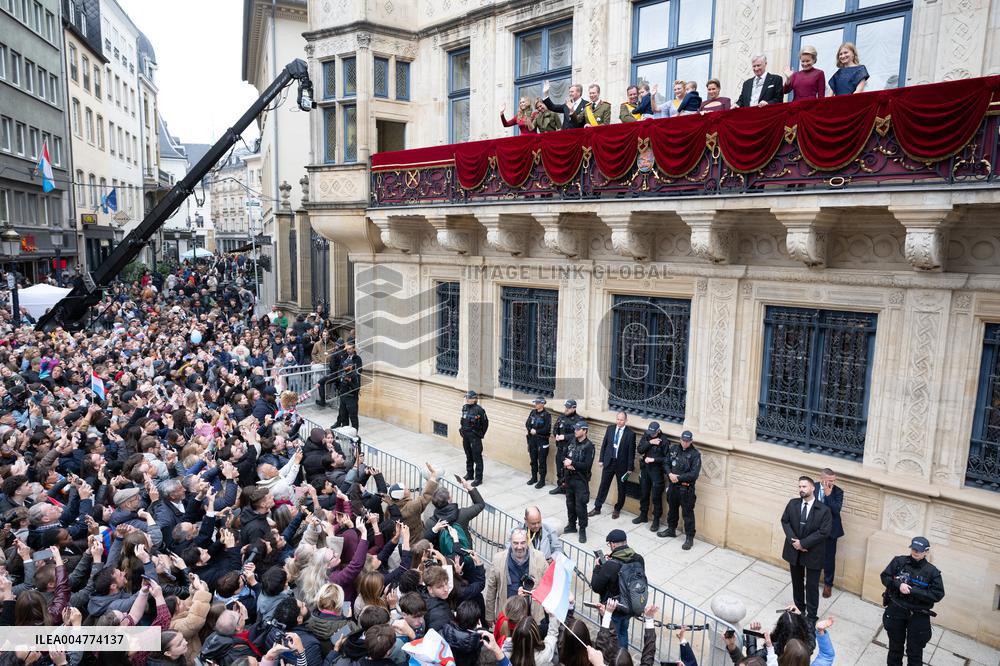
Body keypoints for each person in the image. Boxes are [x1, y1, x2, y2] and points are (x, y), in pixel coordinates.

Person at [880, 536, 945, 666]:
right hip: (897, 609)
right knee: (895, 648)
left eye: (919, 550)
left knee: (915, 652)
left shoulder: (932, 572)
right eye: (914, 549)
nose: (916, 552)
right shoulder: (899, 562)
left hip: (918, 614)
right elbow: (885, 577)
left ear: (926, 552)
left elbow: (937, 594)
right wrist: (899, 585)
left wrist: (913, 591)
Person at [780, 476, 832, 624]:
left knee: (811, 586)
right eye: (800, 487)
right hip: (794, 551)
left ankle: (811, 616)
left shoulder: (824, 510)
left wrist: (803, 543)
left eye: (804, 487)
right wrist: (794, 542)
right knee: (797, 583)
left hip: (813, 553)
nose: (801, 489)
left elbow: (823, 532)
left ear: (812, 488)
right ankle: (799, 609)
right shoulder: (793, 504)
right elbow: (785, 521)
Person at [590, 529, 645, 648]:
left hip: (612, 608)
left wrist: (598, 567)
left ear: (613, 544)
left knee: (611, 636)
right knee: (623, 632)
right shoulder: (639, 558)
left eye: (609, 544)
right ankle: (623, 657)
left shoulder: (611, 565)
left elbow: (596, 586)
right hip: (630, 604)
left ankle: (613, 659)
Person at [484, 528, 547, 628]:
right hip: (507, 616)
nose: (519, 547)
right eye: (515, 543)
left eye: (522, 543)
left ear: (527, 542)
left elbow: (547, 584)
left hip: (531, 616)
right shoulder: (498, 559)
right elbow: (491, 589)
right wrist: (489, 615)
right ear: (510, 543)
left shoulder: (539, 557)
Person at [589, 411, 635, 520]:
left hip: (622, 465)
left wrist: (629, 468)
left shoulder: (630, 434)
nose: (619, 422)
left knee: (621, 488)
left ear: (626, 421)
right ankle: (597, 507)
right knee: (603, 485)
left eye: (621, 420)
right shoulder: (610, 429)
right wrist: (601, 460)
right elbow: (604, 444)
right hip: (609, 462)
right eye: (618, 419)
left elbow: (631, 453)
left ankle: (617, 509)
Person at [659, 430, 701, 550]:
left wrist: (678, 477)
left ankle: (689, 538)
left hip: (686, 489)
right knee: (672, 510)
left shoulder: (695, 454)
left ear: (691, 441)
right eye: (683, 440)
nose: (685, 443)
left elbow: (694, 474)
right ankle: (671, 529)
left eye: (687, 441)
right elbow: (666, 463)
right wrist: (669, 473)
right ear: (680, 439)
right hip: (673, 486)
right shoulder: (674, 449)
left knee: (687, 514)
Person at [562, 421, 595, 543]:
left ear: (584, 431)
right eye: (575, 429)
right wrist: (566, 465)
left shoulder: (589, 446)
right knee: (570, 503)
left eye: (578, 429)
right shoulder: (572, 442)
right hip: (569, 478)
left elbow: (587, 465)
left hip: (580, 480)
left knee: (580, 506)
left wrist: (572, 464)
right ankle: (571, 525)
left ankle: (582, 529)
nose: (575, 431)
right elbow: (563, 456)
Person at [814, 469, 844, 598]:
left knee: (829, 559)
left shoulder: (838, 491)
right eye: (830, 480)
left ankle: (828, 585)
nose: (832, 482)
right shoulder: (813, 487)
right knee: (813, 556)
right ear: (822, 479)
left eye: (834, 480)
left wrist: (828, 495)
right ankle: (812, 582)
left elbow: (836, 510)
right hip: (814, 529)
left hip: (831, 531)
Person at [633, 422, 667, 531]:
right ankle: (643, 515)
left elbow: (667, 459)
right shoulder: (647, 436)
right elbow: (640, 449)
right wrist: (650, 442)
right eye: (650, 432)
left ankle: (656, 520)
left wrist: (654, 460)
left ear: (658, 431)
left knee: (656, 497)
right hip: (645, 469)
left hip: (657, 471)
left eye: (653, 433)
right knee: (644, 493)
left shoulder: (664, 441)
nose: (651, 434)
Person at [549, 399, 579, 495]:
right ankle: (560, 487)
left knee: (568, 472)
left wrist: (564, 437)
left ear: (574, 408)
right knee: (559, 470)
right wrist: (556, 435)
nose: (566, 409)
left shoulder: (579, 420)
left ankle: (568, 490)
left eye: (568, 408)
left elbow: (577, 435)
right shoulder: (561, 417)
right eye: (566, 407)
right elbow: (555, 428)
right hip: (560, 449)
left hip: (570, 452)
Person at [459, 390, 489, 486]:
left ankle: (478, 478)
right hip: (466, 436)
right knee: (469, 456)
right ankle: (470, 474)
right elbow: (463, 420)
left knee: (477, 458)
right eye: (466, 397)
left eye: (469, 398)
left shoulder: (479, 410)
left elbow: (485, 423)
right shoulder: (465, 407)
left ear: (475, 399)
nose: (467, 399)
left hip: (475, 437)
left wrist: (480, 434)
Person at [524, 397, 552, 489]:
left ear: (542, 404)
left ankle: (542, 481)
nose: (535, 404)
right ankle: (534, 477)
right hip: (532, 440)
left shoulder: (547, 415)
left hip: (542, 441)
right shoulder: (533, 412)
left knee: (542, 462)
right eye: (535, 402)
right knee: (533, 460)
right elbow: (527, 423)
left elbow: (547, 429)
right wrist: (530, 429)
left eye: (537, 403)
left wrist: (537, 431)